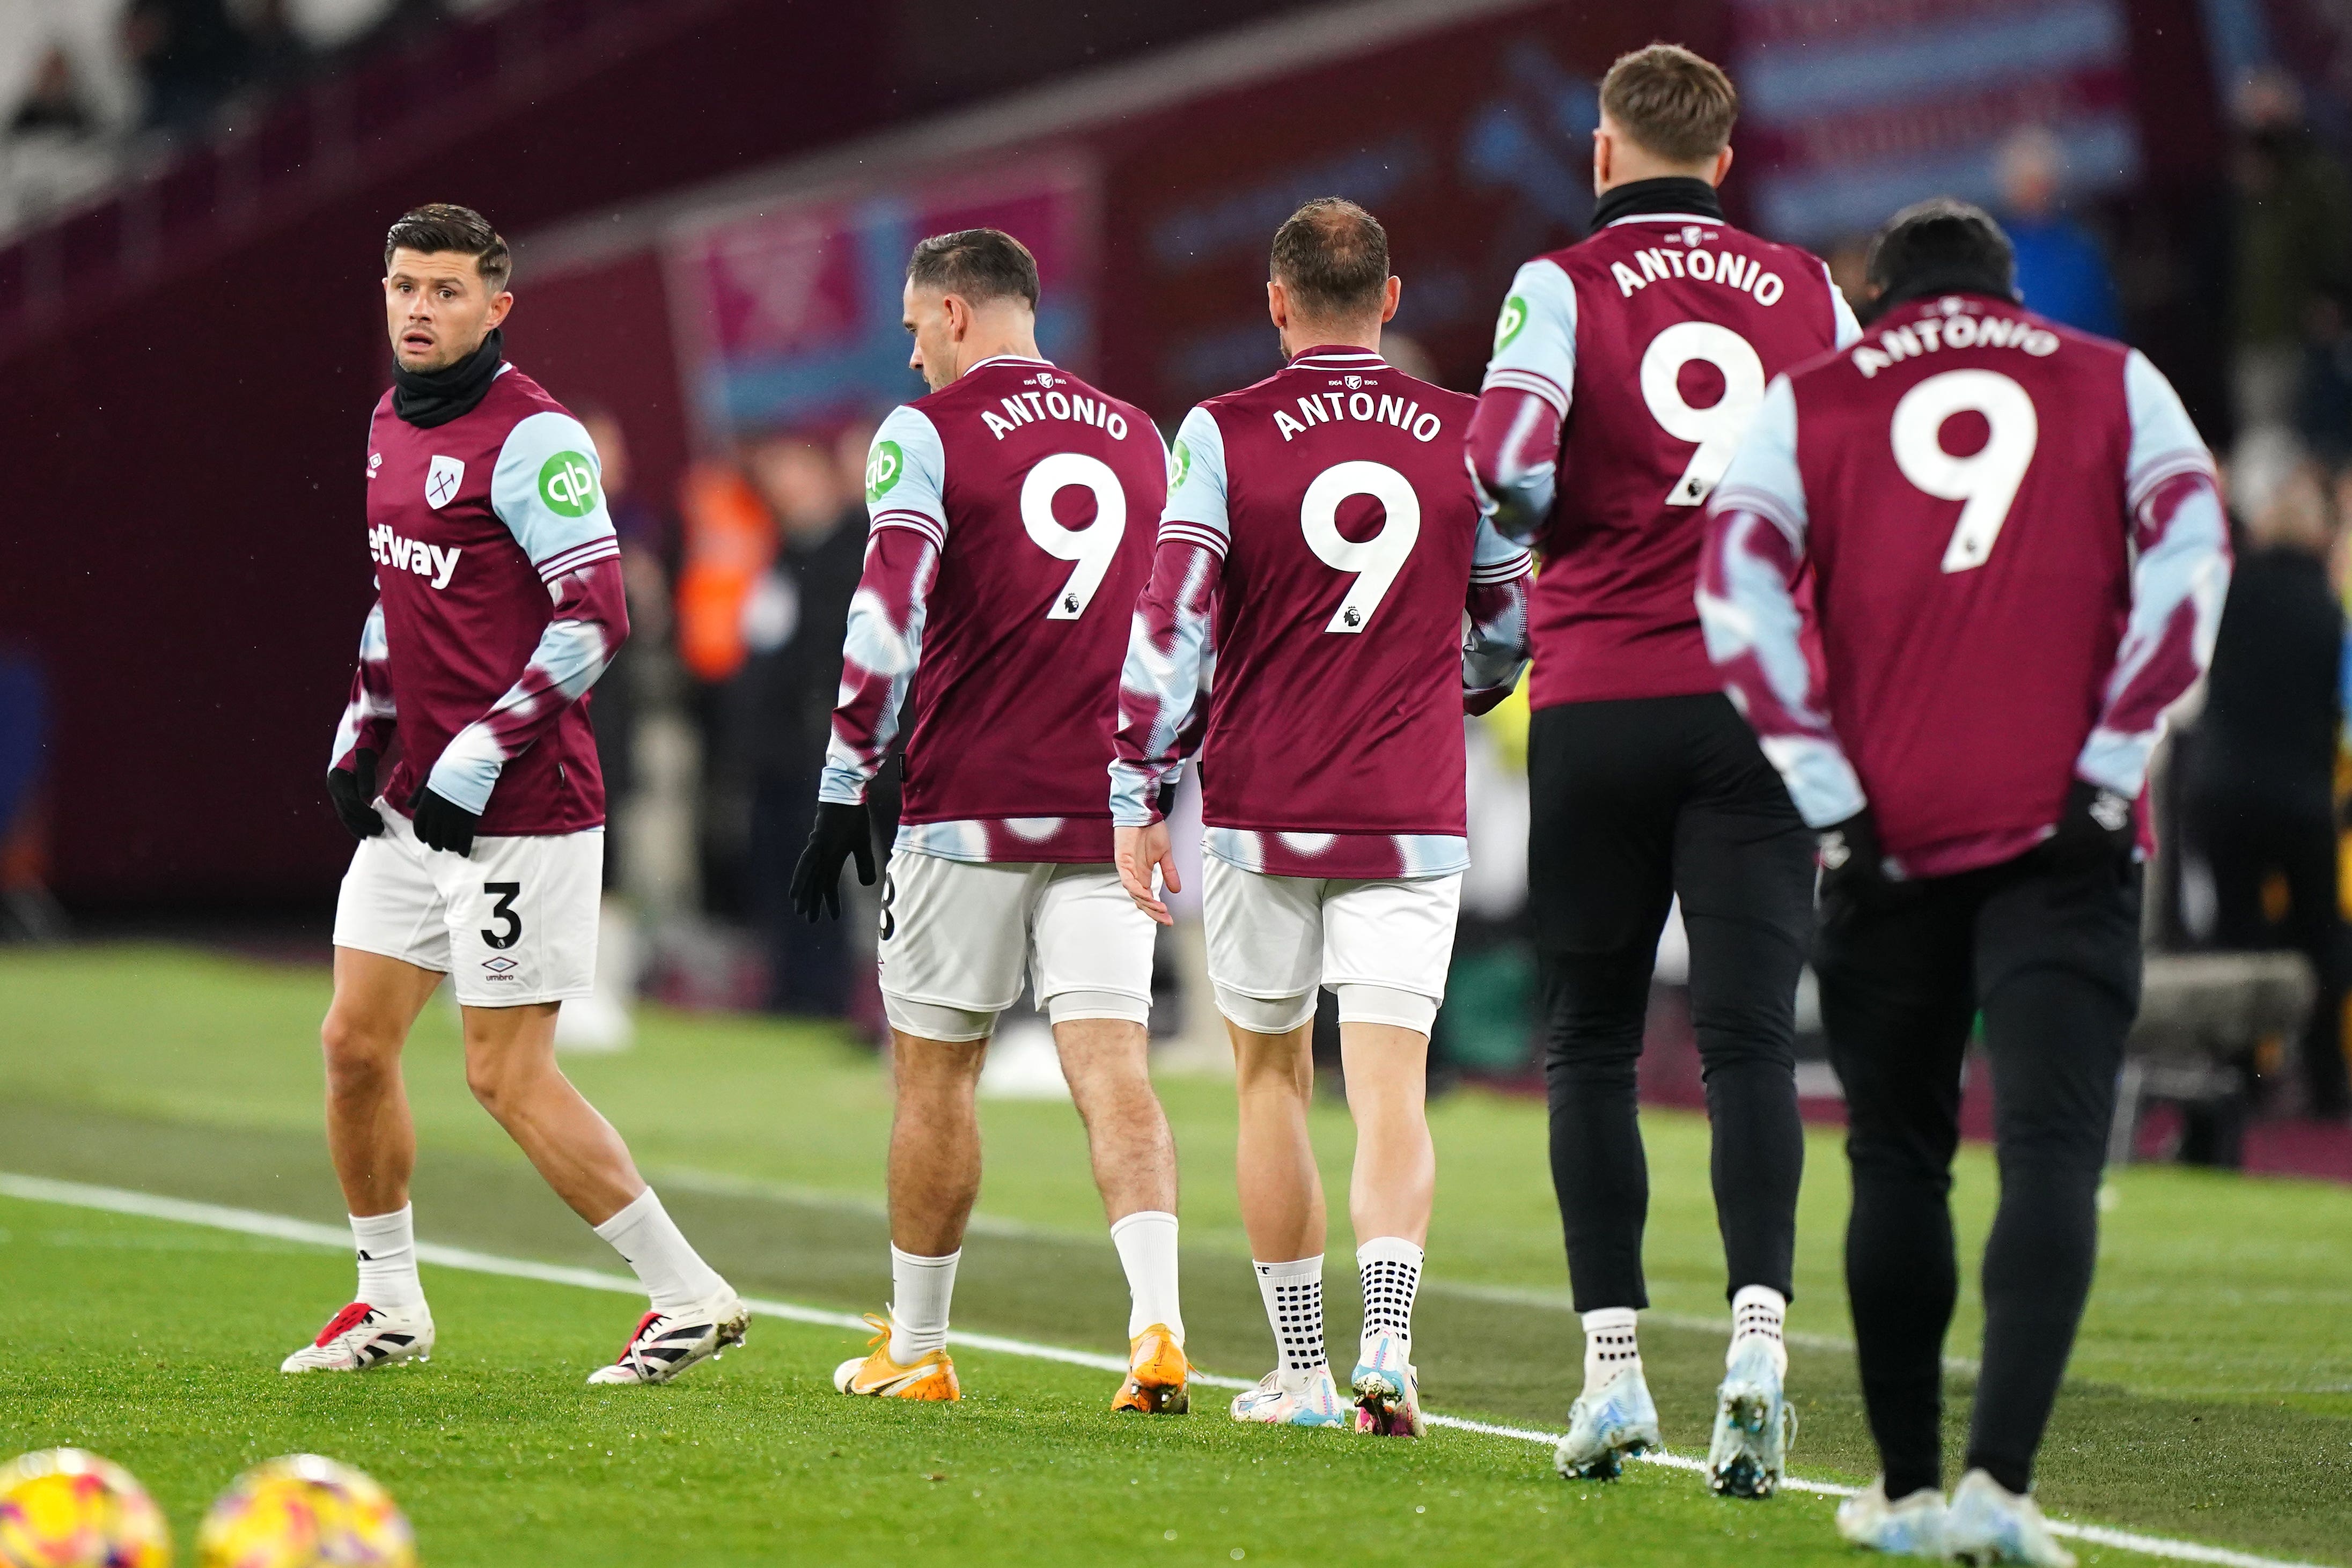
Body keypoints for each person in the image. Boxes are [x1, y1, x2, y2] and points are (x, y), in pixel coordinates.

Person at [1699, 198, 2229, 1561]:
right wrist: (2112, 765)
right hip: (2071, 829)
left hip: (1889, 838)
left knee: (1898, 1159)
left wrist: (1830, 797)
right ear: (2007, 290)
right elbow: (2191, 552)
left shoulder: (1810, 401)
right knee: (2049, 1152)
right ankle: (2003, 1483)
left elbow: (1734, 595)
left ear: (1884, 294)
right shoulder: (2112, 377)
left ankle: (1907, 1488)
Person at [1463, 41, 1859, 1493]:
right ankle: (1757, 1342)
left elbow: (1504, 461)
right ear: (1728, 161)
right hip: (1754, 701)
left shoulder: (1561, 285)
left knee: (1591, 1043)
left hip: (1600, 699)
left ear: (1603, 153)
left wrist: (1548, 542)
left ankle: (1614, 1376)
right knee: (1754, 1039)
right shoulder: (1808, 287)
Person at [299, 204, 745, 1386]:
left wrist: (480, 751)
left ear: (496, 307)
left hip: (520, 806)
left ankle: (686, 1294)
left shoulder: (535, 440)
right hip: (417, 804)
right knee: (352, 1043)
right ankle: (387, 1300)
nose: (417, 308)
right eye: (402, 285)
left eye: (446, 291)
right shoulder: (390, 419)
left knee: (503, 1072)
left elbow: (598, 614)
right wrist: (365, 722)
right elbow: (400, 593)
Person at [1111, 197, 1533, 1436]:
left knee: (1271, 1082)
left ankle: (1299, 1368)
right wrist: (1441, 690)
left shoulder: (1224, 432)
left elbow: (1171, 622)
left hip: (1264, 805)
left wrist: (1141, 784)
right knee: (1391, 1086)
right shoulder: (1466, 434)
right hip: (1407, 806)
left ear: (1278, 303)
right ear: (1391, 299)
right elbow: (1508, 630)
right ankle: (1389, 1347)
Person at [791, 228, 1188, 1414]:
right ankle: (1158, 1330)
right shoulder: (1139, 434)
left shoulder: (926, 433)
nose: (912, 358)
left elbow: (884, 616)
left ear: (957, 313)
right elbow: (1171, 624)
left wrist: (842, 780)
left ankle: (917, 1347)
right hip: (1104, 804)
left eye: (915, 329)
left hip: (967, 805)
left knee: (934, 1079)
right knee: (1114, 1071)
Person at [2184, 453, 2349, 1121]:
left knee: (2233, 932)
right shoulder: (2325, 608)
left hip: (2221, 791)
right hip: (2300, 797)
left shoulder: (2230, 589)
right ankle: (2324, 1078)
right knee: (2319, 937)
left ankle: (2237, 1077)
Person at [741, 435, 866, 1016]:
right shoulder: (784, 549)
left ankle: (827, 989)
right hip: (777, 746)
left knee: (829, 869)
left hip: (828, 743)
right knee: (781, 863)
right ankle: (792, 984)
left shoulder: (854, 546)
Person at [1994, 127, 2120, 338]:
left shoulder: (2080, 249)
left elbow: (2105, 326)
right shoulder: (1994, 250)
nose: (2033, 191)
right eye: (2024, 182)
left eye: (2039, 182)